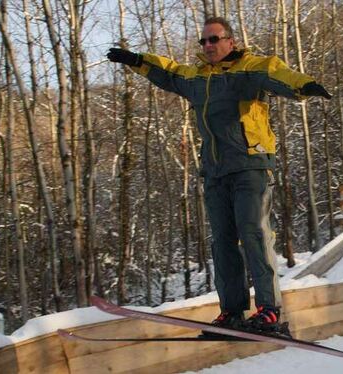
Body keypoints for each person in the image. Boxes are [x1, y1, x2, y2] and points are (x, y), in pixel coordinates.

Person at [106, 17, 331, 336]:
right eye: (204, 41)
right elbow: (168, 70)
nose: (208, 46)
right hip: (214, 171)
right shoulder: (196, 78)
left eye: (215, 39)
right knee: (222, 241)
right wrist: (136, 60)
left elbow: (276, 72)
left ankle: (269, 310)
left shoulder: (250, 69)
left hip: (251, 163)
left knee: (254, 232)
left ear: (231, 41)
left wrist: (303, 85)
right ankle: (232, 311)